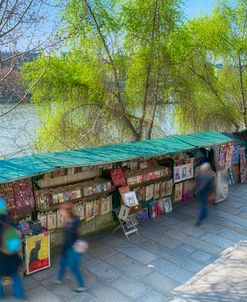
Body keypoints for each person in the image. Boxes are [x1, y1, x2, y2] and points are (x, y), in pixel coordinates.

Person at [56, 202, 86, 292]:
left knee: (74, 268)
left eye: (62, 210)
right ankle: (60, 278)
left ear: (67, 211)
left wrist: (65, 250)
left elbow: (70, 240)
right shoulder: (69, 220)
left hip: (71, 250)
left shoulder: (71, 224)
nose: (60, 212)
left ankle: (82, 285)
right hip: (67, 248)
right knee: (62, 263)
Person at [0, 198, 25, 300]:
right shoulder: (9, 218)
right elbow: (16, 233)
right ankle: (20, 294)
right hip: (12, 253)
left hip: (1, 256)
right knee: (14, 275)